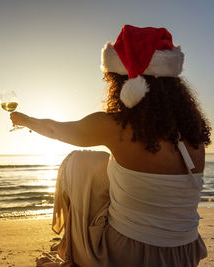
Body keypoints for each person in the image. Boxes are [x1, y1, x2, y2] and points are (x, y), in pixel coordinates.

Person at [11, 25, 210, 267]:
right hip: (184, 253)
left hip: (130, 254)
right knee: (104, 166)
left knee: (79, 163)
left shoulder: (114, 127)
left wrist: (24, 120)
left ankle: (72, 249)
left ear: (123, 83)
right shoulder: (194, 133)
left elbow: (55, 130)